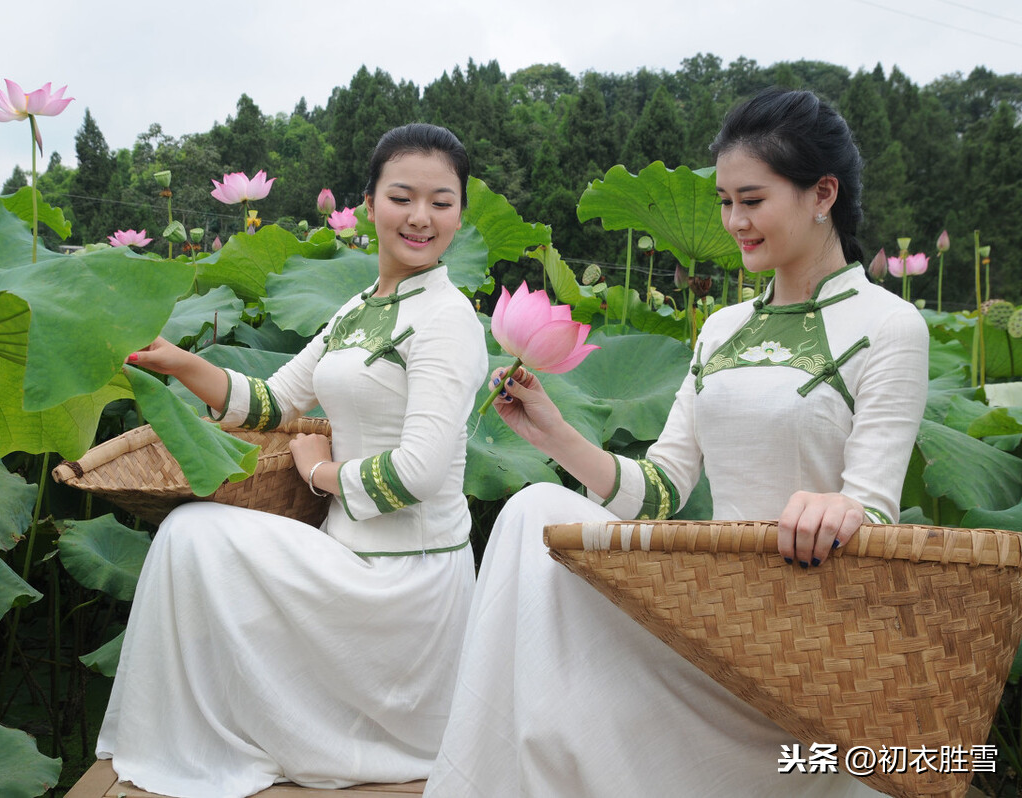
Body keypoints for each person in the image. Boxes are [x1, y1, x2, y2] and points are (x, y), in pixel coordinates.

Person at [424, 88, 929, 797]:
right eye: (725, 201)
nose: (734, 223)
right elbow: (660, 490)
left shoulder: (891, 326)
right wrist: (558, 436)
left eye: (751, 200)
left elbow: (871, 510)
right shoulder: (721, 329)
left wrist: (839, 511)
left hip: (805, 644)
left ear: (823, 193)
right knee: (535, 508)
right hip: (709, 617)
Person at [97, 123, 488, 798]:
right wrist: (180, 362)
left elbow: (420, 473)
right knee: (189, 537)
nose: (421, 217)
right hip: (347, 554)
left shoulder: (447, 321)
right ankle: (205, 727)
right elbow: (274, 402)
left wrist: (318, 473)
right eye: (402, 197)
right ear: (370, 204)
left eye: (441, 201)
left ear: (459, 212)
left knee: (195, 536)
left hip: (407, 584)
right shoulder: (359, 310)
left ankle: (215, 731)